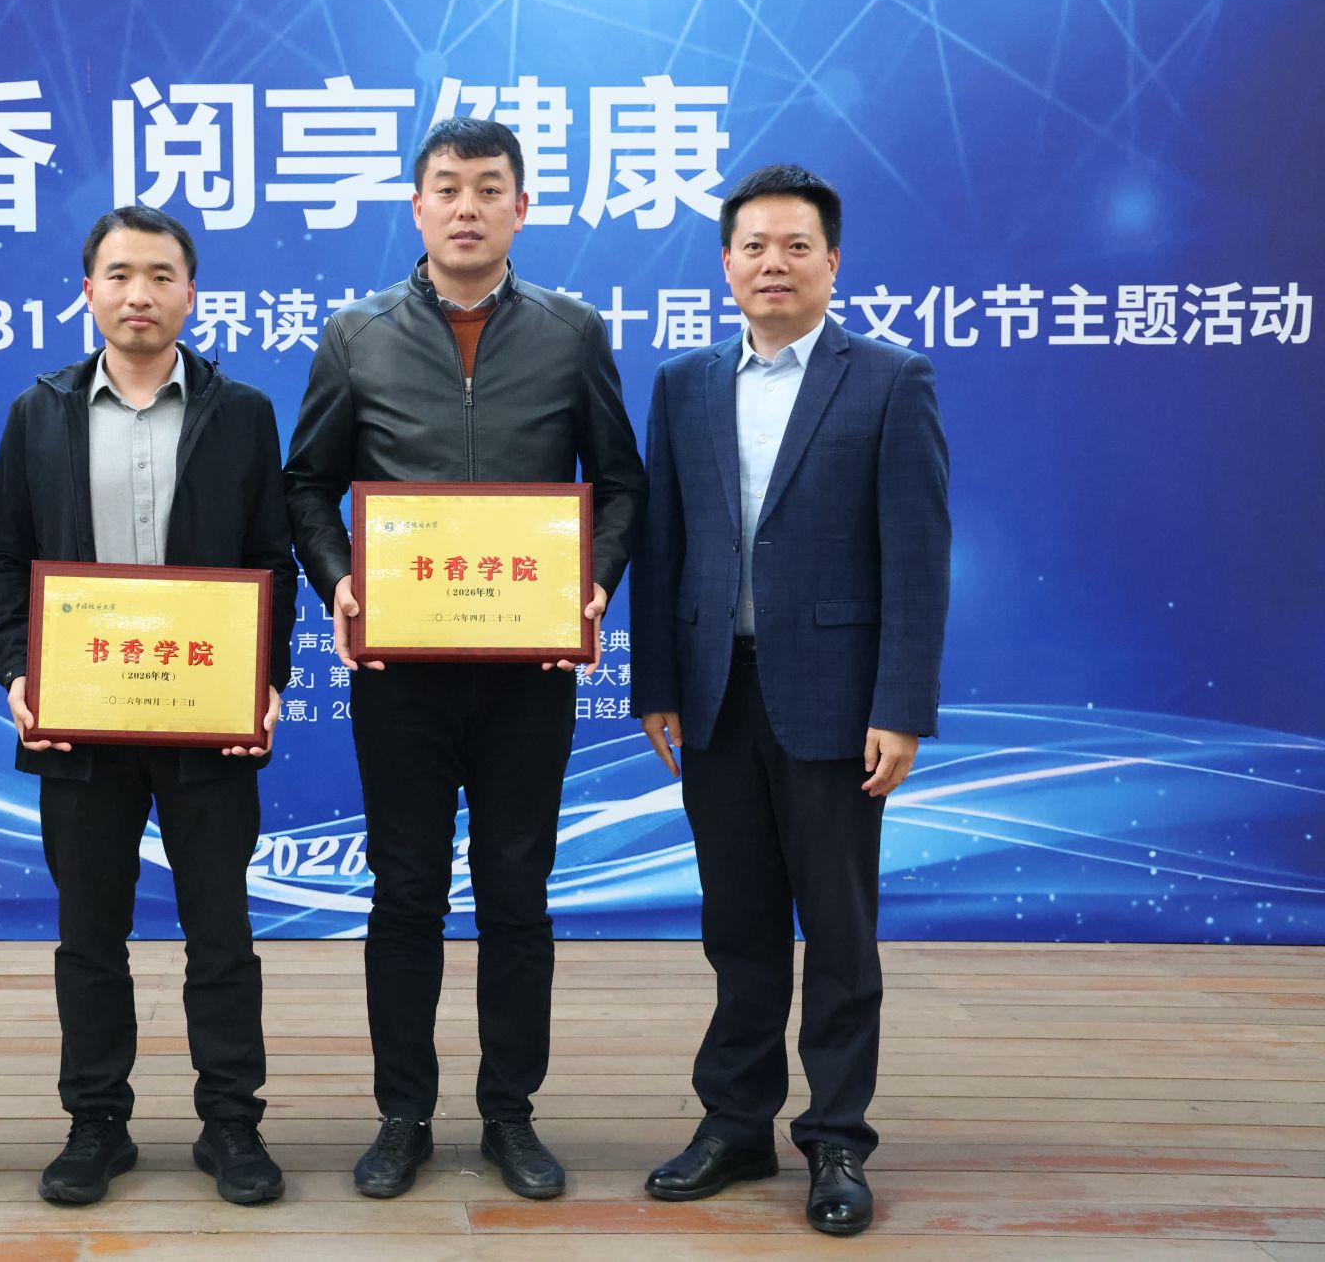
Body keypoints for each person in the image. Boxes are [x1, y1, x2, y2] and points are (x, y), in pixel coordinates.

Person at [283, 117, 646, 1201]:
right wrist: (338, 580)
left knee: (516, 893)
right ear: (417, 206)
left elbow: (619, 482)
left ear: (521, 208)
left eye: (490, 188)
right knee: (404, 893)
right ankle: (403, 1113)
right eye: (447, 187)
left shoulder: (571, 333)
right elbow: (306, 485)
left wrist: (596, 579)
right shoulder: (356, 335)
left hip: (528, 672)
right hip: (401, 673)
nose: (467, 206)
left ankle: (509, 1114)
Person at [629, 164, 950, 1236]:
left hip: (836, 702)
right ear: (725, 264)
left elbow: (917, 560)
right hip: (715, 695)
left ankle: (837, 1138)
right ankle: (734, 1123)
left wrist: (900, 705)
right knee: (738, 924)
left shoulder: (890, 380)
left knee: (840, 931)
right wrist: (656, 683)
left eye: (795, 246)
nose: (774, 263)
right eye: (754, 246)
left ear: (832, 262)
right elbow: (664, 546)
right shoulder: (682, 384)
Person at [0, 205, 298, 1206]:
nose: (139, 294)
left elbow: (271, 560)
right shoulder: (39, 412)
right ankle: (95, 1123)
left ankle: (231, 1123)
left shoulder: (241, 412)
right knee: (89, 933)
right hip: (81, 717)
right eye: (118, 275)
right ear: (88, 291)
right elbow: (3, 556)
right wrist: (17, 669)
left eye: (160, 275)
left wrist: (266, 678)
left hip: (206, 715)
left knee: (220, 931)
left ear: (190, 293)